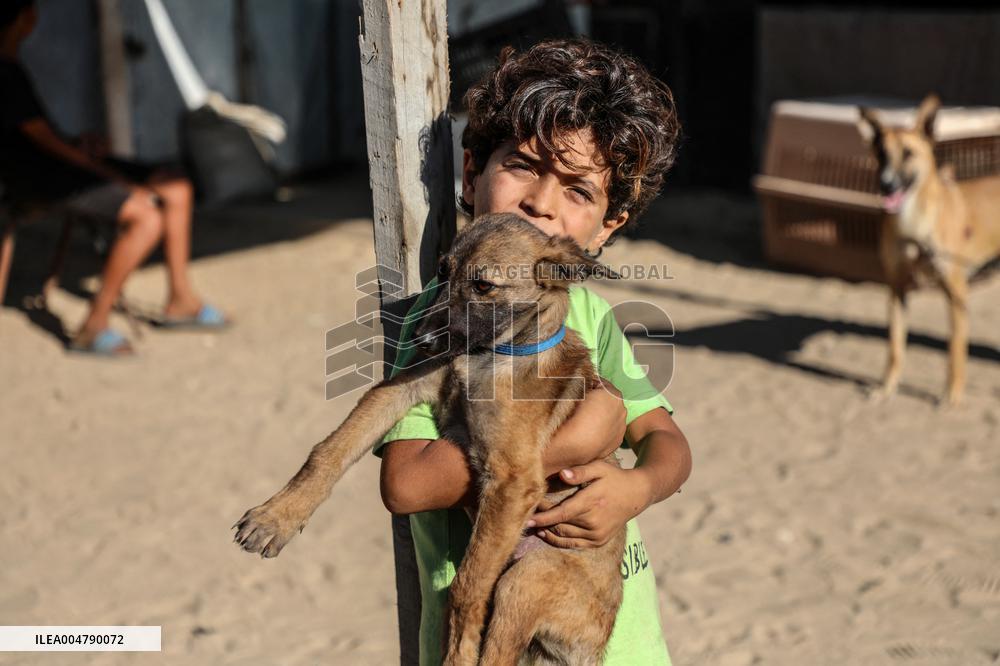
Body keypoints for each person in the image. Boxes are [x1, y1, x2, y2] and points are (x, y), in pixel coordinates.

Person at [374, 39, 692, 665]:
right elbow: (407, 484)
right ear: (471, 174)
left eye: (578, 190)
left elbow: (667, 442)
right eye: (522, 165)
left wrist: (638, 488)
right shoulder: (443, 323)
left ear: (607, 226)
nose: (541, 202)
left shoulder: (592, 316)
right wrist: (569, 444)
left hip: (619, 644)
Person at [0, 0, 226, 355]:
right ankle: (94, 325)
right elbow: (42, 144)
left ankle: (181, 299)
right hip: (39, 178)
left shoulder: (15, 67)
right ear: (23, 18)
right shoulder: (5, 74)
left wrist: (80, 146)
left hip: (62, 164)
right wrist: (109, 175)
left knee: (176, 187)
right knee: (146, 217)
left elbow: (42, 137)